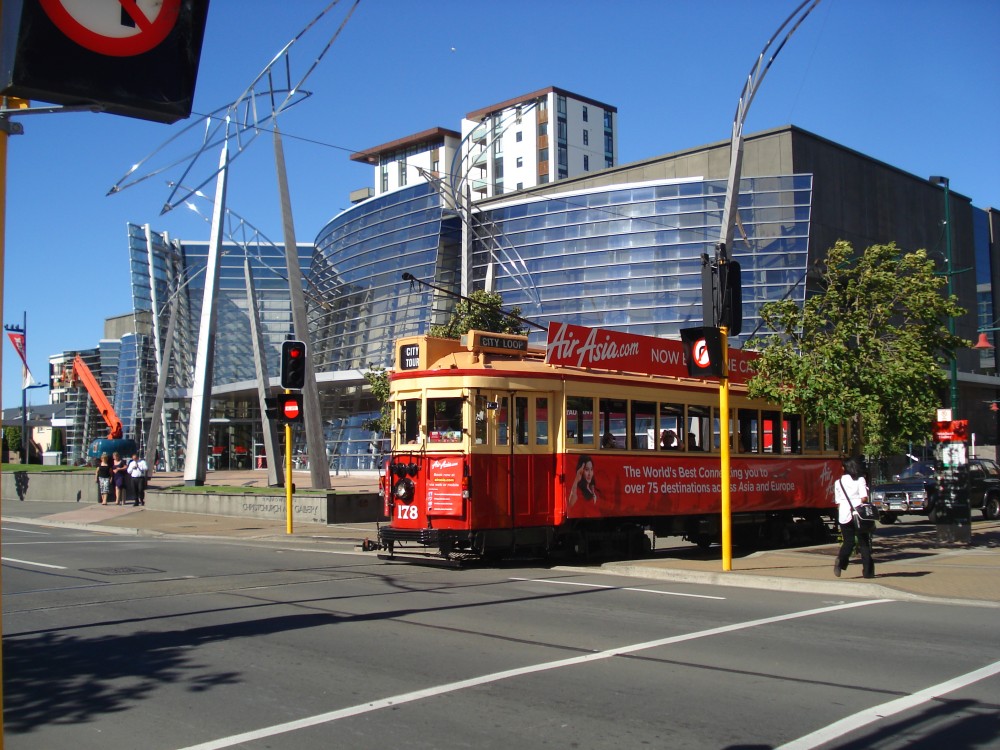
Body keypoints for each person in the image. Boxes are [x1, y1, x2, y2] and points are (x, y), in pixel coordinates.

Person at [833, 456, 875, 579]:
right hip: (859, 514)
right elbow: (864, 498)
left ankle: (841, 561)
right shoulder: (860, 480)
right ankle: (868, 573)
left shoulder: (838, 482)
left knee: (848, 542)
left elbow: (838, 501)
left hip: (844, 514)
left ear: (843, 468)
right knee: (864, 543)